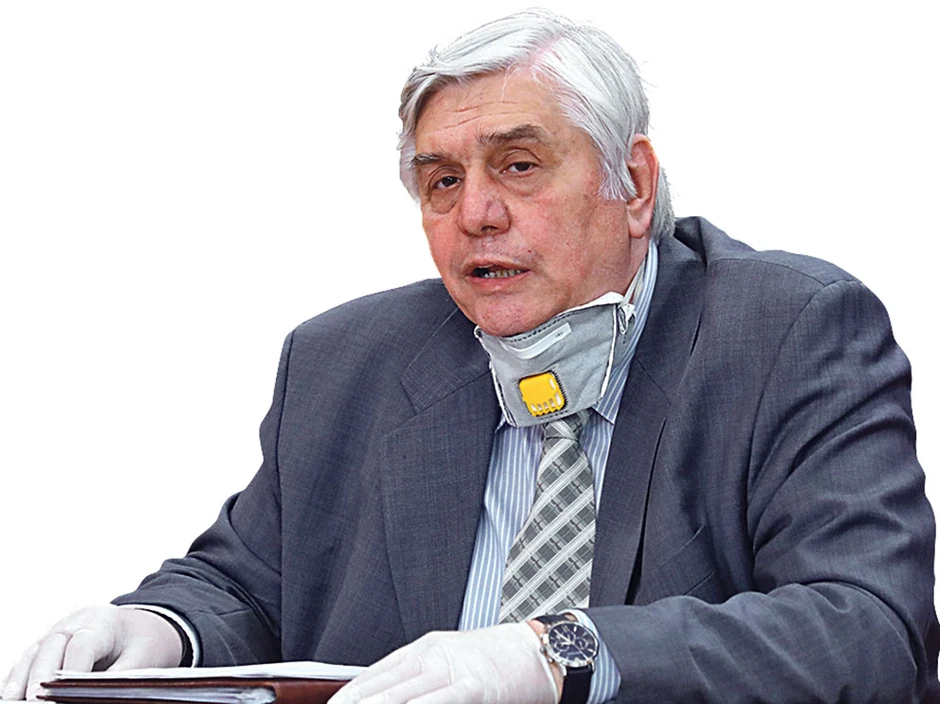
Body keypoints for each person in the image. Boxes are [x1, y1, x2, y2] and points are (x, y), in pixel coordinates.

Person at [4, 8, 938, 703]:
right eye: (442, 181)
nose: (476, 214)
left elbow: (869, 629)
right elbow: (244, 585)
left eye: (518, 165)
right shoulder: (344, 363)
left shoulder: (789, 331)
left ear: (633, 184)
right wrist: (158, 627)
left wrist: (552, 654)